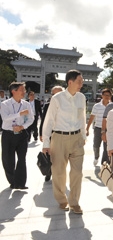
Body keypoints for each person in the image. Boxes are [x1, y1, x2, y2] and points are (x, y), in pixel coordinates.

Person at [42, 70, 86, 214]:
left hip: (77, 139)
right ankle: (62, 200)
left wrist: (83, 136)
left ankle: (74, 202)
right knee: (59, 172)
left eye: (82, 81)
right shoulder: (57, 98)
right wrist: (46, 144)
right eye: (79, 81)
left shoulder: (81, 97)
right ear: (70, 82)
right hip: (59, 138)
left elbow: (83, 117)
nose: (82, 84)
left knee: (77, 173)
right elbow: (48, 121)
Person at [1, 82, 34, 190]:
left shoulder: (26, 104)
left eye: (24, 90)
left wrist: (22, 127)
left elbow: (31, 119)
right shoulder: (5, 104)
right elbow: (5, 118)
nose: (24, 92)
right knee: (8, 159)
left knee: (22, 158)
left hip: (21, 135)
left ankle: (21, 183)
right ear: (13, 91)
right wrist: (19, 114)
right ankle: (12, 181)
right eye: (22, 90)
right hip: (8, 134)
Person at [39, 85, 64, 182]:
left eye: (59, 93)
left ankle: (59, 173)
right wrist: (41, 133)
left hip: (62, 134)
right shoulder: (47, 105)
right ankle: (49, 173)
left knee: (61, 155)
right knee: (49, 154)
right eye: (54, 94)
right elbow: (44, 121)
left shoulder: (67, 105)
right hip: (50, 133)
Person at [86, 88, 112, 166]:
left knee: (106, 146)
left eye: (109, 95)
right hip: (98, 128)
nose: (107, 97)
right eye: (105, 95)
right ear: (102, 95)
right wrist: (87, 128)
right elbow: (92, 117)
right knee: (96, 145)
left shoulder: (112, 106)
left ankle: (105, 162)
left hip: (108, 129)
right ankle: (96, 157)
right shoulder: (97, 106)